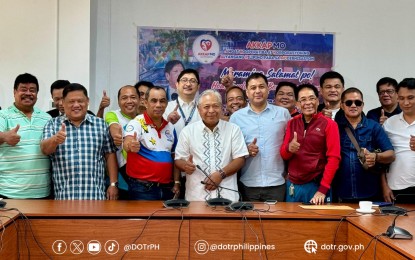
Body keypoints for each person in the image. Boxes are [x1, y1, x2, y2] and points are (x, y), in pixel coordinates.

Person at [41, 83, 118, 200]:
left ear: (87, 101)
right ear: (63, 103)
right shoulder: (52, 124)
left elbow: (109, 155)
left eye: (80, 101)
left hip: (95, 196)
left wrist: (113, 184)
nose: (76, 105)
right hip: (64, 197)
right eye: (71, 101)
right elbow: (45, 150)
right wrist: (55, 140)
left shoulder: (100, 124)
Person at [175, 90, 248, 201]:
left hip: (227, 196)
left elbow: (240, 159)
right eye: (206, 107)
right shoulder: (187, 131)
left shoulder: (233, 129)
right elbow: (178, 160)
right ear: (199, 110)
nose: (211, 110)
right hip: (196, 197)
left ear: (221, 108)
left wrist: (220, 174)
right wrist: (185, 166)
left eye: (215, 106)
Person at [230, 73, 291, 202]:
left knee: (276, 222)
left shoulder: (283, 114)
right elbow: (230, 150)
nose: (257, 91)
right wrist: (245, 150)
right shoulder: (236, 117)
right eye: (253, 88)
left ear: (268, 89)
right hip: (248, 183)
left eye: (261, 86)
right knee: (248, 222)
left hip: (277, 183)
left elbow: (289, 145)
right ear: (247, 92)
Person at [280, 84, 341, 204]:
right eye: (303, 99)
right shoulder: (292, 123)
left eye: (312, 98)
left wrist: (323, 190)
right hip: (293, 186)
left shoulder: (329, 124)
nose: (308, 102)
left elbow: (334, 158)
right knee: (290, 222)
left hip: (317, 186)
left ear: (318, 101)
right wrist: (289, 148)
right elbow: (283, 155)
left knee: (319, 222)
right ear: (297, 104)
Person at [333, 87, 395, 202]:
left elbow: (391, 154)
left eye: (357, 102)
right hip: (341, 192)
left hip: (370, 192)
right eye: (348, 102)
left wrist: (376, 156)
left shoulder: (374, 127)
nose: (353, 105)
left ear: (362, 105)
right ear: (342, 106)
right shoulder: (334, 128)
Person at [123, 86, 180, 200]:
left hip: (167, 188)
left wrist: (177, 182)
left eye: (162, 101)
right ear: (145, 102)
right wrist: (130, 145)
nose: (158, 105)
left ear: (167, 103)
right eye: (154, 101)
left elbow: (175, 157)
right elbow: (127, 142)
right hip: (142, 189)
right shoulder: (136, 123)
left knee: (165, 219)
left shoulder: (170, 127)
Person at [0, 73, 51, 199]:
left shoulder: (46, 118)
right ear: (14, 92)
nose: (28, 93)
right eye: (23, 89)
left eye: (32, 90)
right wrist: (4, 136)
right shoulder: (3, 115)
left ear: (37, 94)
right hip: (9, 192)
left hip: (42, 192)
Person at [382, 78, 415, 203]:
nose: (406, 102)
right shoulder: (390, 123)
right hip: (397, 188)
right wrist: (384, 186)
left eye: (410, 97)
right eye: (401, 98)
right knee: (399, 222)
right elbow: (382, 158)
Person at [104, 85, 139, 199]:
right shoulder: (113, 114)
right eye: (124, 98)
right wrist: (117, 136)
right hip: (120, 175)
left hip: (141, 176)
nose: (129, 101)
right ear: (118, 102)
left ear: (139, 100)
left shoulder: (143, 118)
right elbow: (113, 126)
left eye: (133, 97)